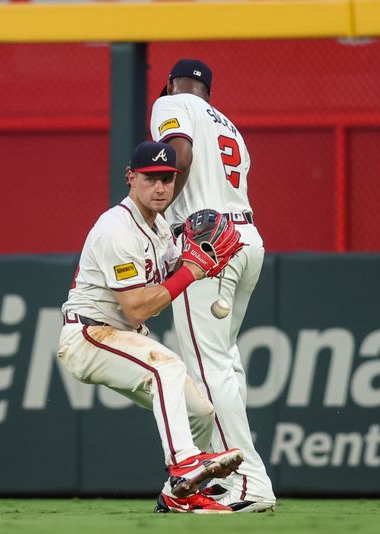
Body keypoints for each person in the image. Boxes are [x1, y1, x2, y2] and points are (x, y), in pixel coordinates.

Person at [58, 141, 245, 514]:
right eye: (150, 179)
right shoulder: (116, 229)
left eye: (167, 179)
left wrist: (205, 257)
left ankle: (179, 496)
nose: (160, 188)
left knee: (200, 412)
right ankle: (183, 466)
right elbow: (136, 308)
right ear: (131, 178)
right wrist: (193, 270)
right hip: (89, 335)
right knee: (166, 367)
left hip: (120, 335)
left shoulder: (159, 228)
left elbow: (172, 275)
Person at [149, 59, 277, 513]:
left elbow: (176, 152)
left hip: (207, 243)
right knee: (226, 363)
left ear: (170, 83)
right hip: (246, 240)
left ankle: (250, 480)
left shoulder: (171, 103)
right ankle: (232, 478)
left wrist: (158, 215)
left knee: (208, 369)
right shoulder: (231, 128)